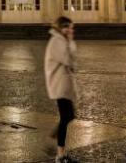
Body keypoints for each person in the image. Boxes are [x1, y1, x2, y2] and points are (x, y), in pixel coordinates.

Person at [45, 16, 78, 163]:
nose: (70, 30)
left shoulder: (62, 40)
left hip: (63, 84)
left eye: (71, 27)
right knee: (66, 117)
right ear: (60, 28)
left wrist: (69, 40)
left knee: (69, 116)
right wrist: (70, 40)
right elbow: (68, 60)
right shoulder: (57, 41)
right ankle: (60, 155)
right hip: (59, 85)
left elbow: (72, 60)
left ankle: (55, 135)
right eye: (67, 27)